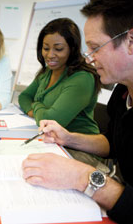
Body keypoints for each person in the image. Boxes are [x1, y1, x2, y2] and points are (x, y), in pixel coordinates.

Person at [22, 0, 133, 223]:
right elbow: (113, 143)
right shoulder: (123, 91)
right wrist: (68, 138)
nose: (89, 58)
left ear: (132, 40)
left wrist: (84, 177)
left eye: (95, 47)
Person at [18, 18, 104, 168]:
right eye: (46, 48)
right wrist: (37, 113)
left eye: (58, 49)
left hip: (80, 151)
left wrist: (36, 105)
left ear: (72, 48)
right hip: (51, 142)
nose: (50, 55)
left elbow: (52, 120)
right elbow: (24, 97)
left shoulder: (81, 78)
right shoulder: (47, 72)